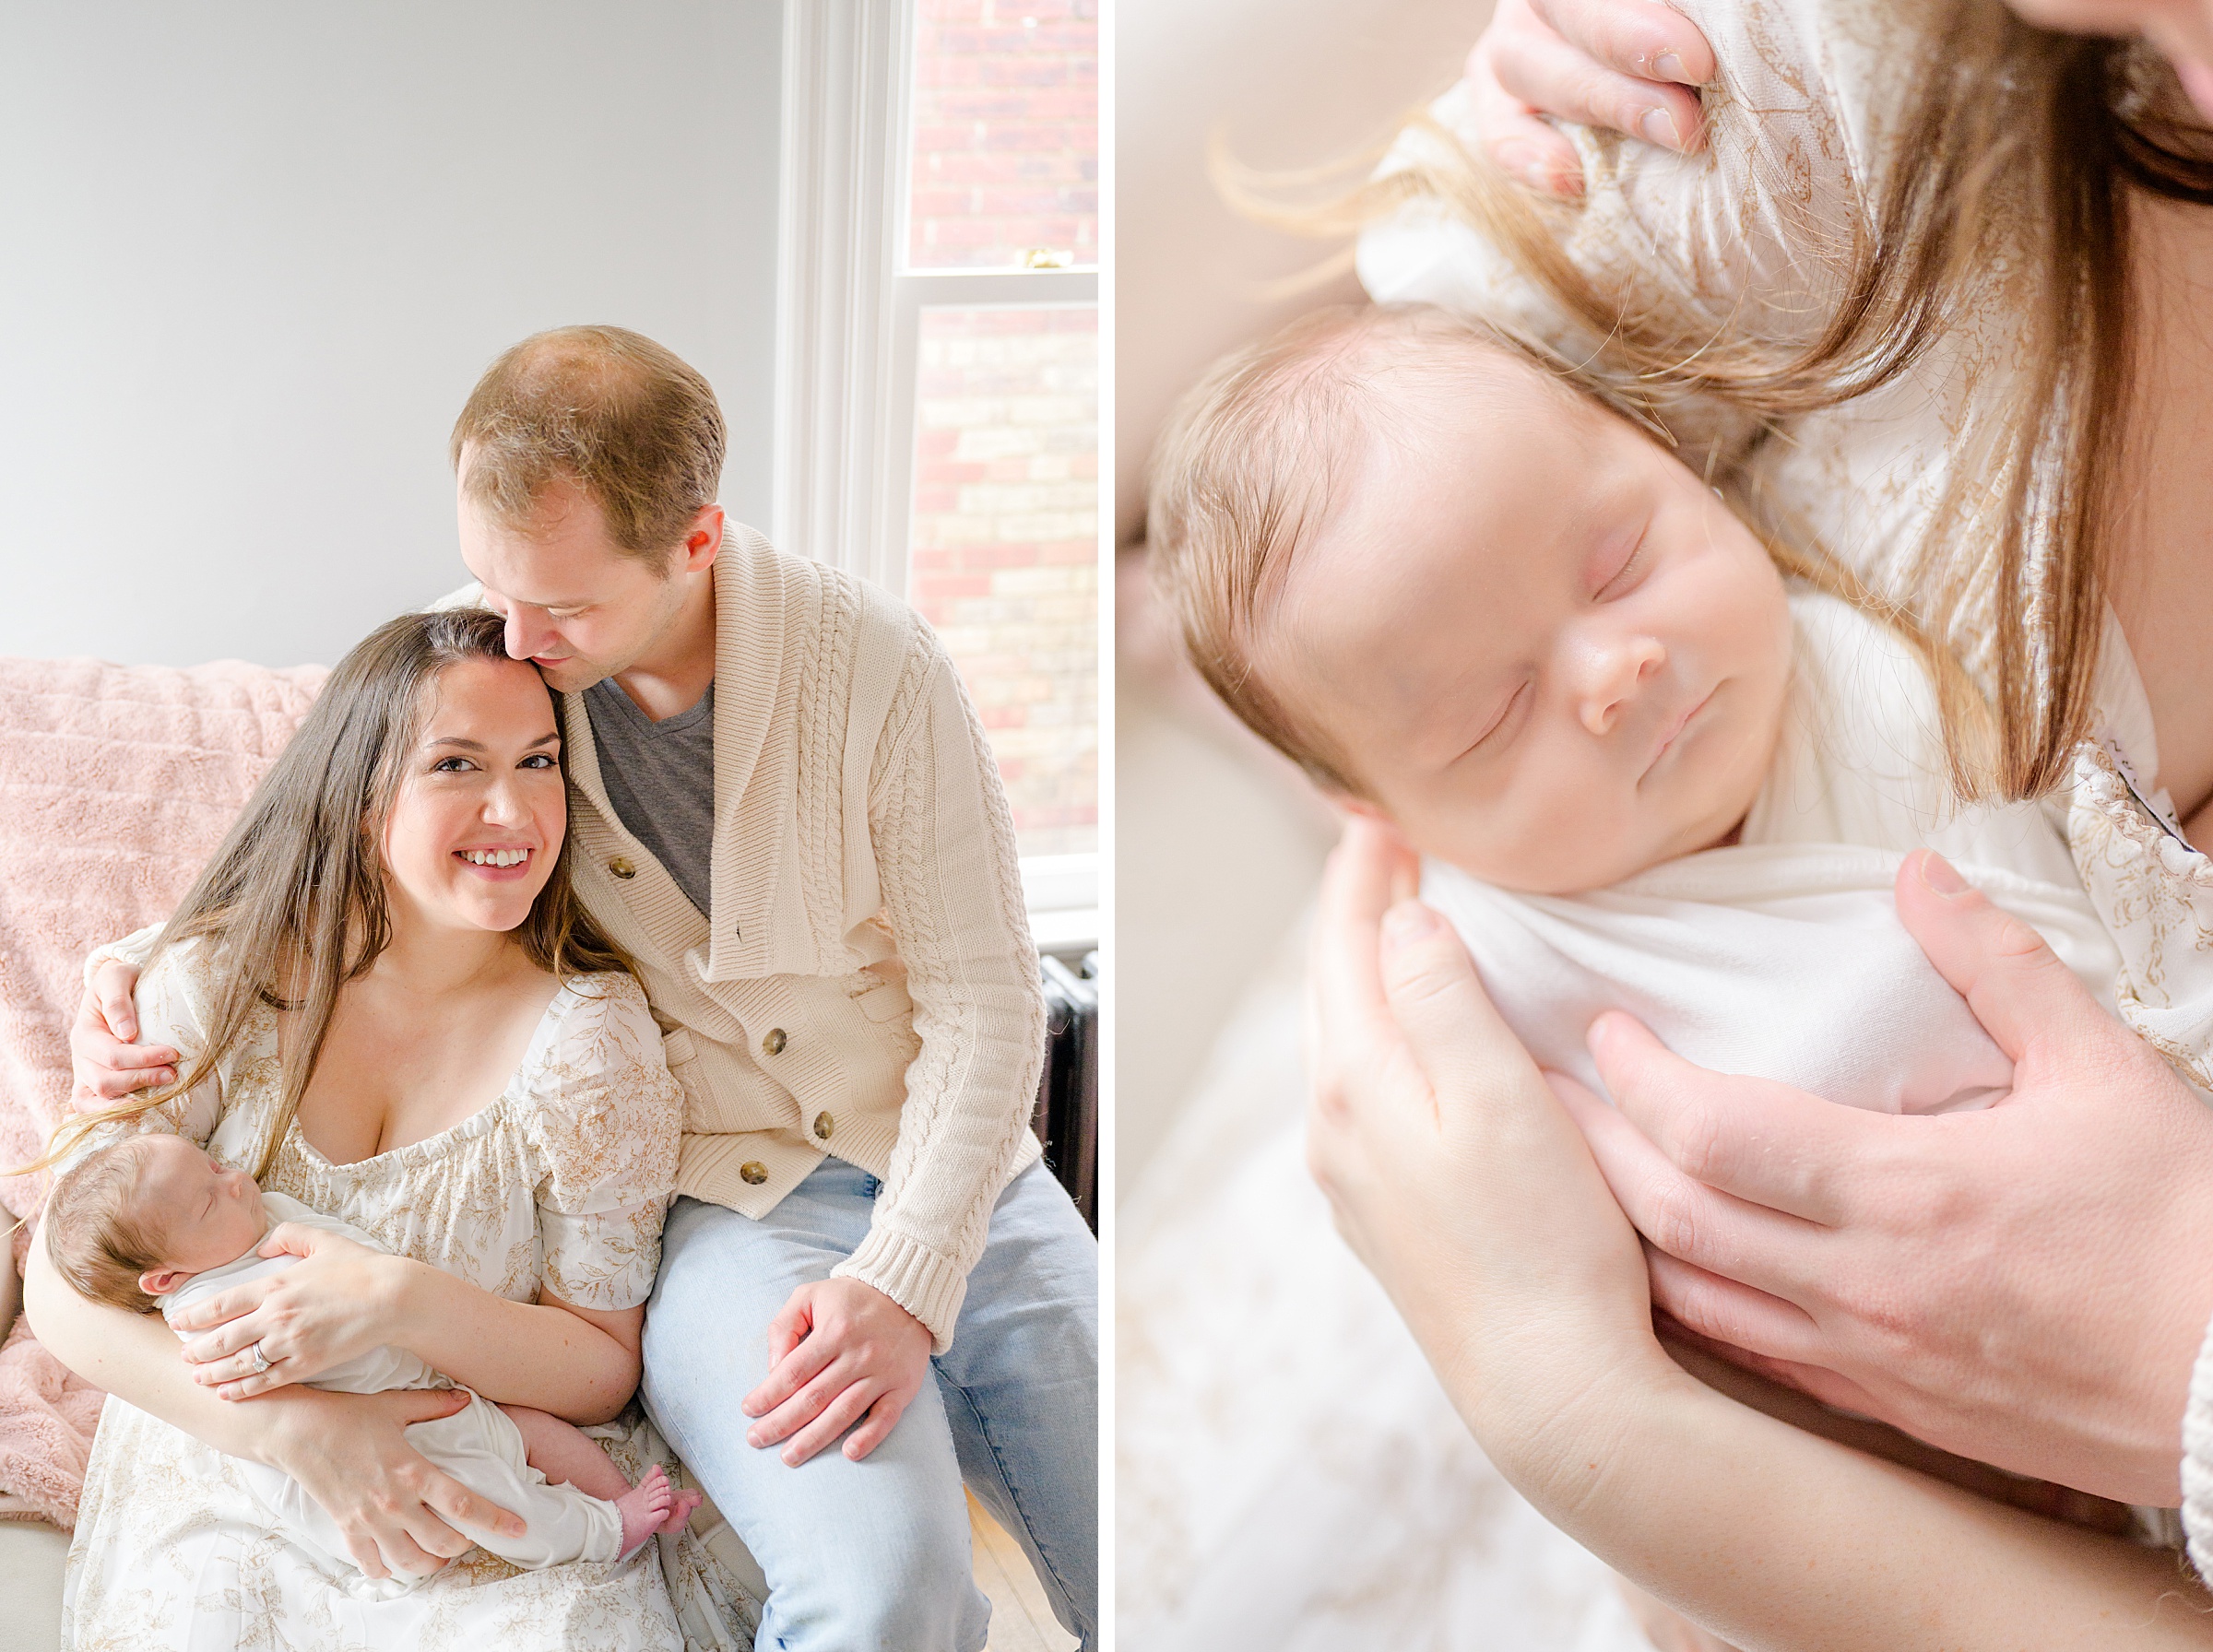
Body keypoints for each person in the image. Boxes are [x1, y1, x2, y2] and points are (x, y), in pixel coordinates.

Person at [1272, 0, 2213, 1641]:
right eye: (1499, 708)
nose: (1621, 672)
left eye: (1625, 566)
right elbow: (1414, 426)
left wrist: (1617, 1440)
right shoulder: (1841, 85)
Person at [67, 326, 1099, 1652]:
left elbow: (988, 1003)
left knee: (1162, 1525)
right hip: (727, 1207)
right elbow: (345, 814)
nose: (517, 630)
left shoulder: (880, 672)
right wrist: (135, 964)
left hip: (959, 1172)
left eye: (559, 607)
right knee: (886, 1587)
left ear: (697, 540)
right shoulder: (513, 653)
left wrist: (906, 1278)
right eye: (495, 583)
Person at [25, 608, 696, 1648]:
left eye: (539, 760)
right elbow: (62, 1281)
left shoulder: (589, 1049)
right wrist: (297, 1430)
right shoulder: (220, 984)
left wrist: (397, 1300)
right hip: (240, 1484)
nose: (513, 807)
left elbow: (601, 1363)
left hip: (492, 1491)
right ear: (363, 787)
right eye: (458, 763)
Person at [41, 1132, 700, 1598]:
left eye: (215, 1166)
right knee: (493, 1505)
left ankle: (623, 1500)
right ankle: (602, 1533)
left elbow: (355, 1258)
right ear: (165, 1279)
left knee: (532, 1433)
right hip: (376, 1447)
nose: (236, 1179)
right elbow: (243, 1389)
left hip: (436, 1395)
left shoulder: (252, 1223)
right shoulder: (205, 1310)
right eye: (210, 1198)